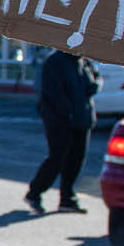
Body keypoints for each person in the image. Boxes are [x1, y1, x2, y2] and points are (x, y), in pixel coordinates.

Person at [25, 47, 100, 213]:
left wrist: (94, 85)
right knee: (58, 158)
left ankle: (67, 198)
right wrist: (66, 112)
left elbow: (94, 82)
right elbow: (51, 93)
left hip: (82, 118)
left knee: (76, 159)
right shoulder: (54, 61)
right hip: (60, 121)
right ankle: (34, 193)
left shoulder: (84, 60)